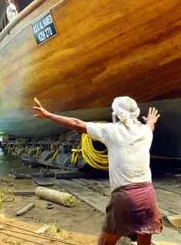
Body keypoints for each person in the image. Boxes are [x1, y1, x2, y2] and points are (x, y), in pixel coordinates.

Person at [33, 96, 162, 245]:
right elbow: (150, 127)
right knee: (144, 240)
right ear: (135, 113)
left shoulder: (111, 131)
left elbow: (76, 123)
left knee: (105, 242)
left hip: (125, 196)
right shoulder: (146, 132)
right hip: (148, 196)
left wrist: (49, 115)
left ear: (117, 114)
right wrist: (151, 120)